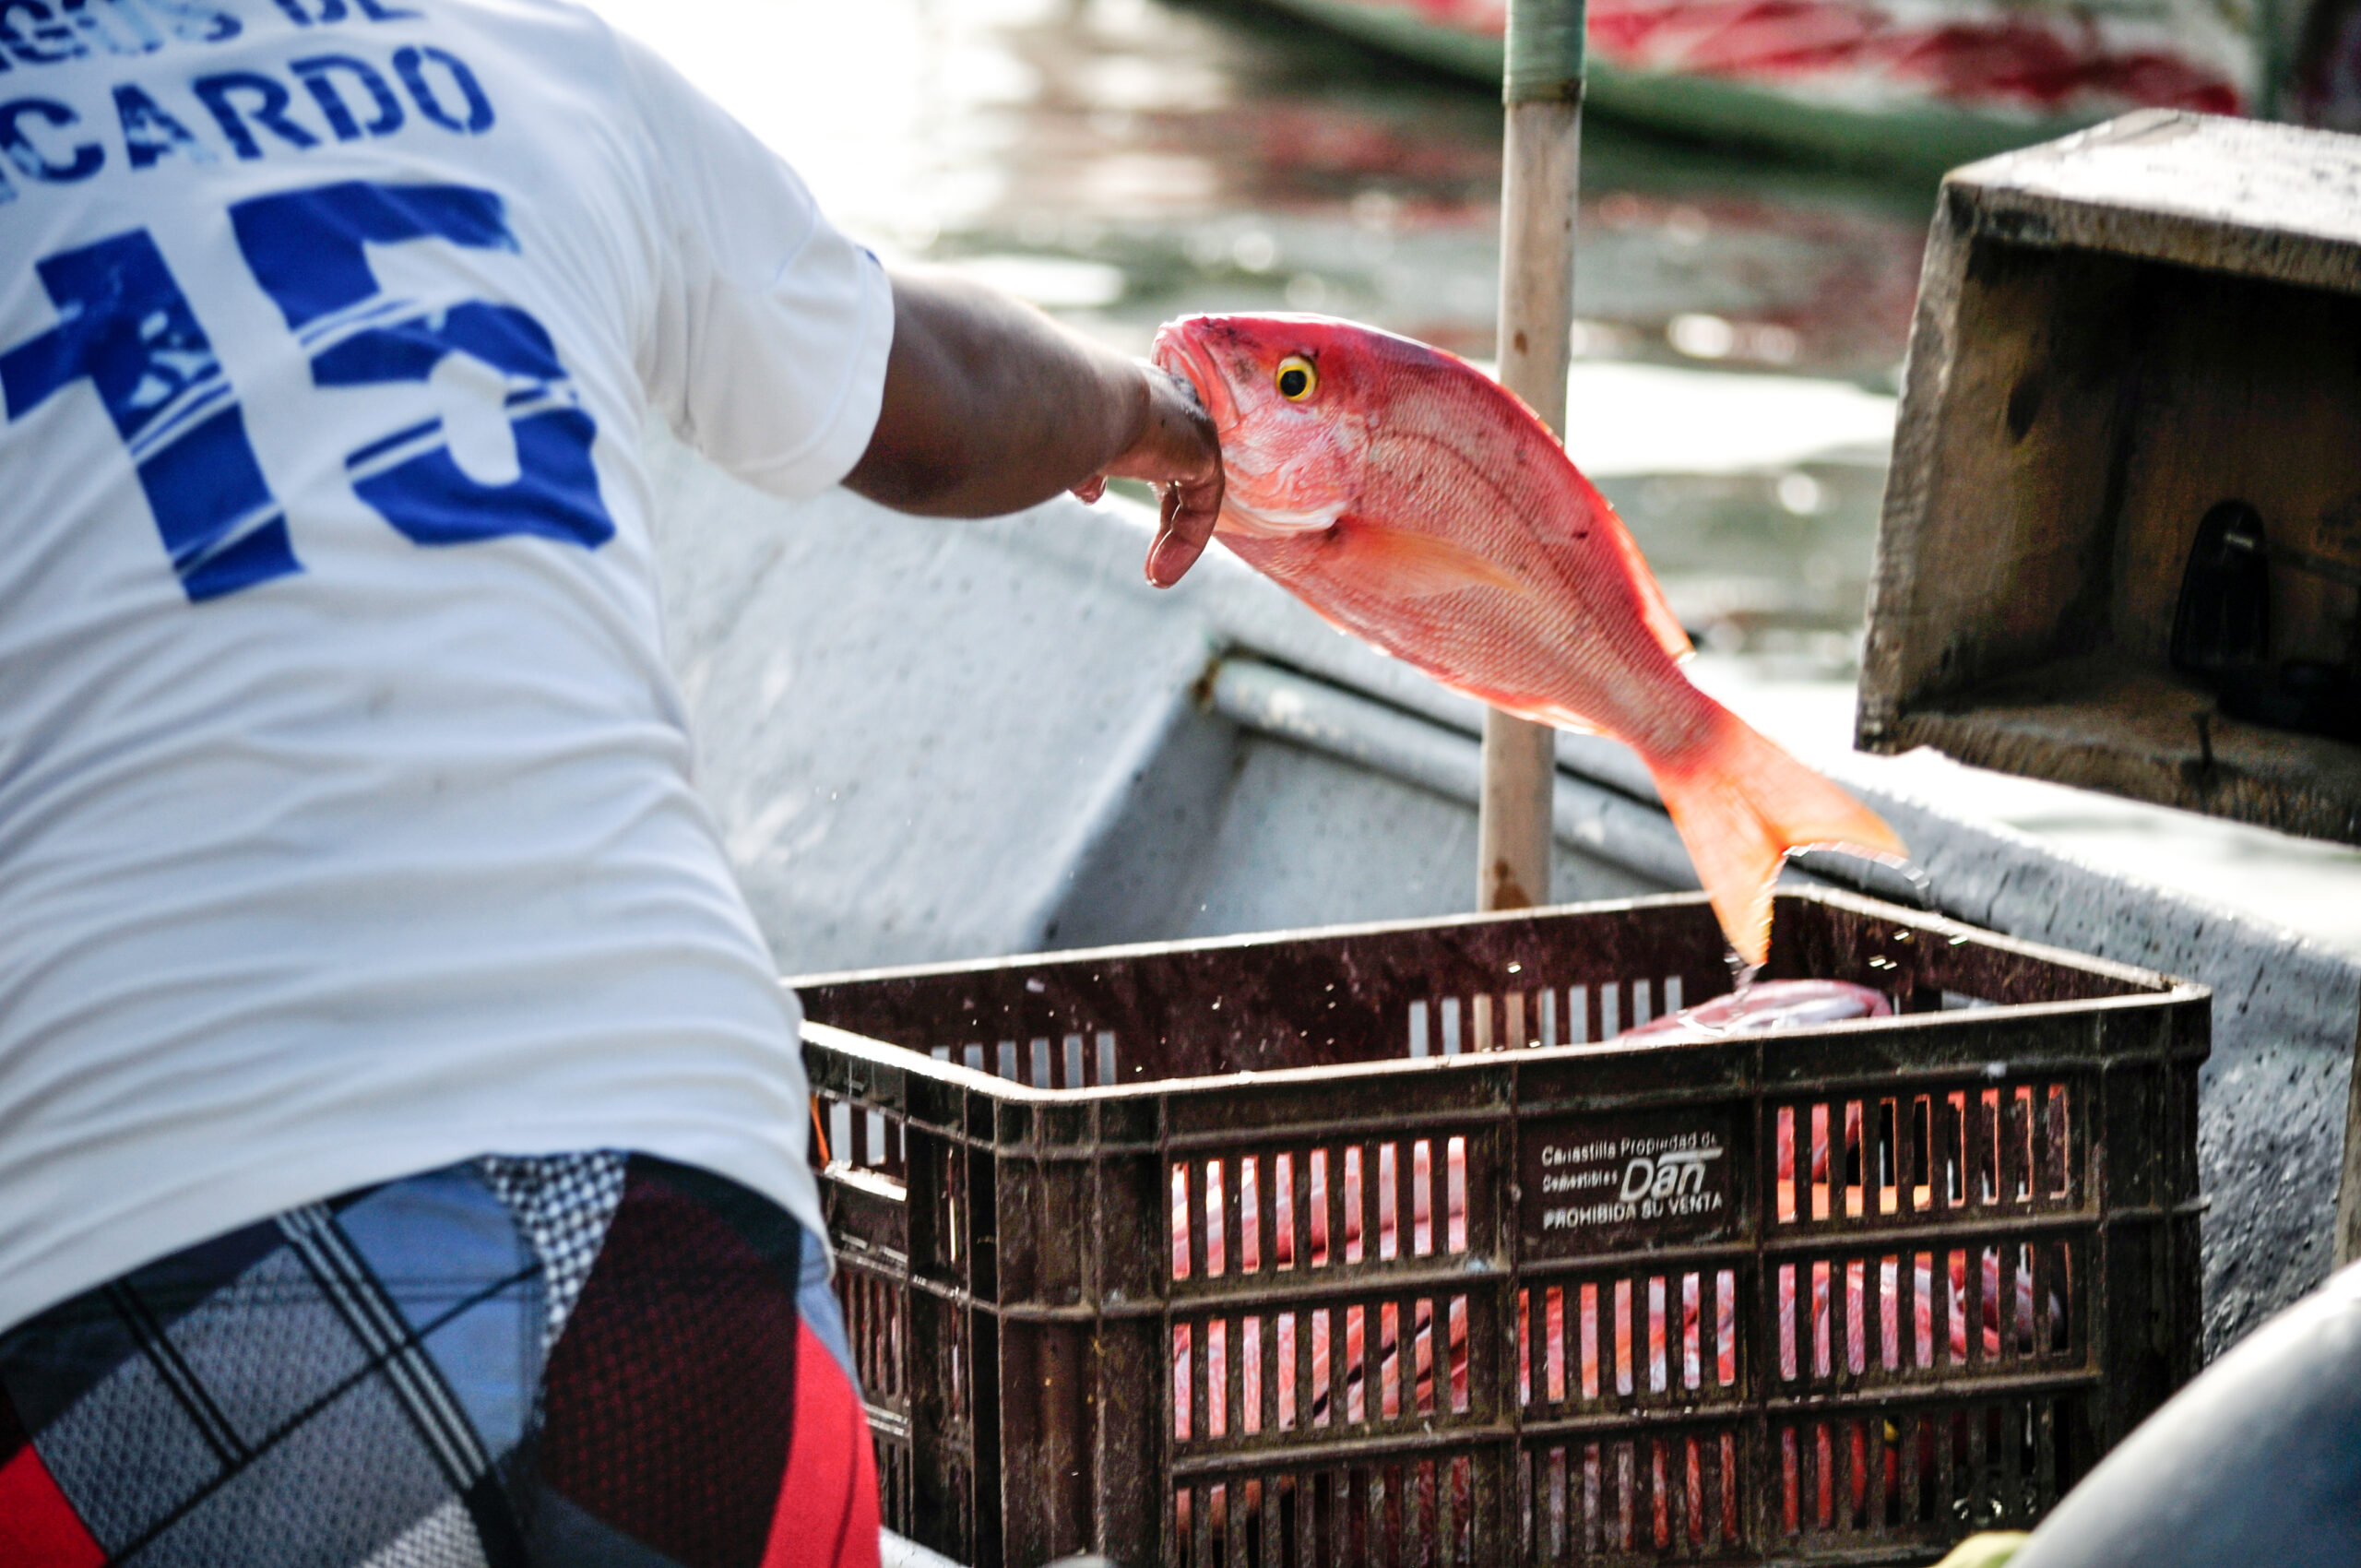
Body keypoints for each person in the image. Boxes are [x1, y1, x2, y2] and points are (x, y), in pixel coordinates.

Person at [0, 0, 1220, 1561]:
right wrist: (1150, 414)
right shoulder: (530, 57)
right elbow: (941, 406)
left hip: (155, 1260)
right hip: (683, 1220)